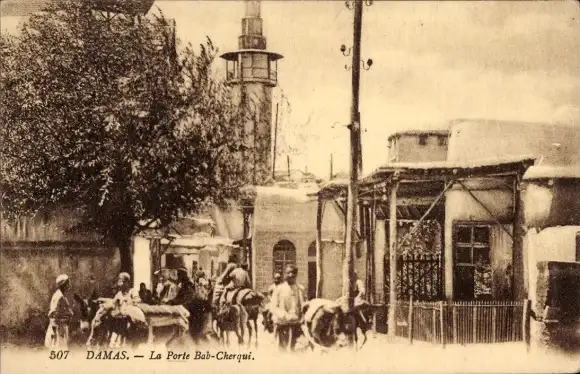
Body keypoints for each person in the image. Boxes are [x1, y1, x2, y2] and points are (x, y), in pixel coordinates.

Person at [270, 265, 305, 351]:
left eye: (293, 273)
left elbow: (303, 305)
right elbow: (273, 307)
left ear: (296, 275)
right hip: (283, 323)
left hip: (297, 324)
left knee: (295, 348)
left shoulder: (300, 289)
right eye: (288, 273)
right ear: (285, 274)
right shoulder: (279, 289)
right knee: (283, 347)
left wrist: (301, 317)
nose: (290, 275)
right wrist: (285, 315)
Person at [45, 274, 74, 349]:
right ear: (64, 284)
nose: (69, 284)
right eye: (68, 282)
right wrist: (55, 329)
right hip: (59, 327)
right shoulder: (59, 296)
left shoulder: (60, 295)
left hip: (61, 326)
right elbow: (53, 313)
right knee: (59, 348)